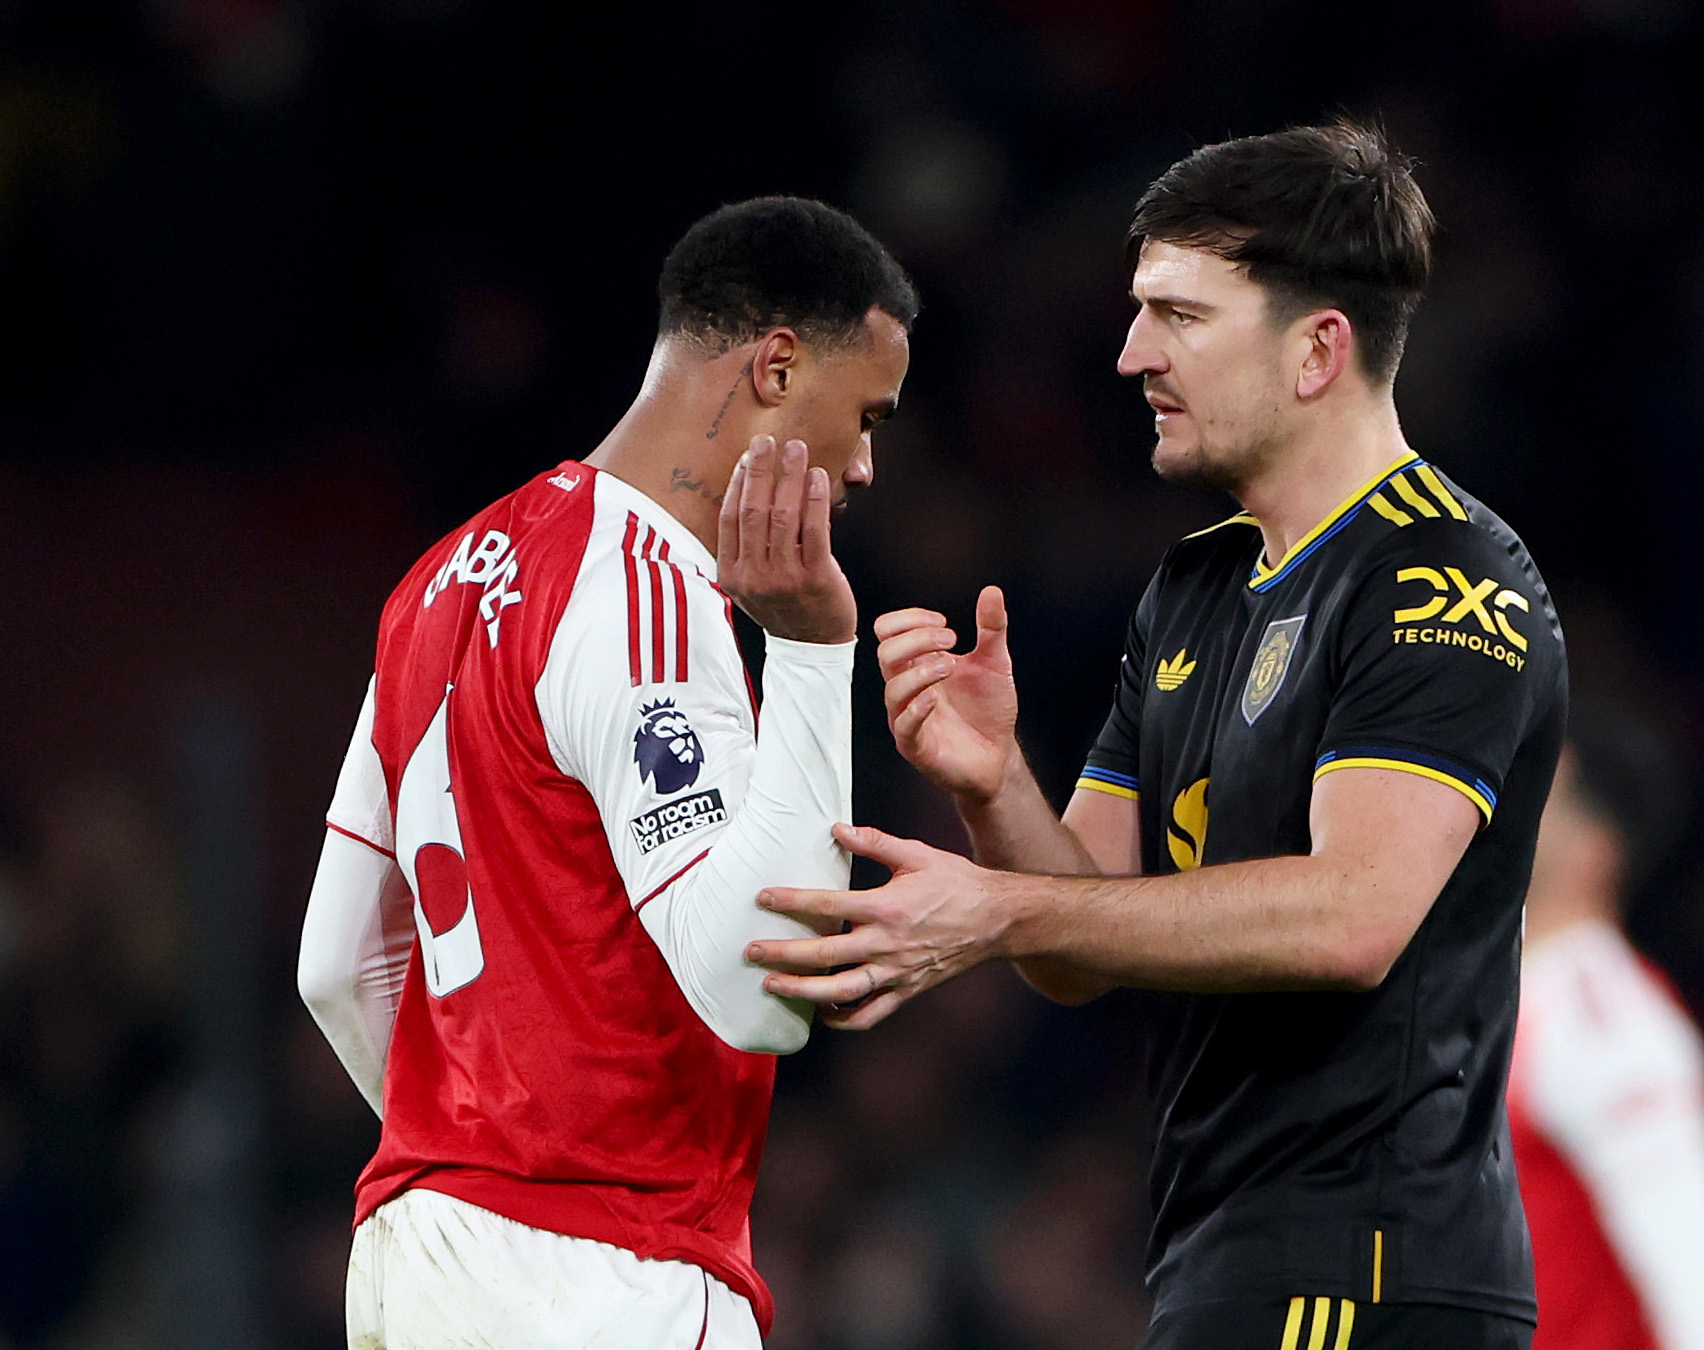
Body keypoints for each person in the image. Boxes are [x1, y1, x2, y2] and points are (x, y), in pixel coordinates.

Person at [749, 120, 1566, 1349]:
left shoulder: (1441, 578)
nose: (1132, 353)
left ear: (1317, 351)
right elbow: (1079, 945)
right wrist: (994, 785)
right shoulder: (1193, 591)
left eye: (1179, 316)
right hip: (1220, 1255)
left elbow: (1354, 918)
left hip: (1373, 1268)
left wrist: (996, 908)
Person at [295, 197, 915, 1349]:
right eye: (867, 414)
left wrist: (475, 1162)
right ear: (777, 367)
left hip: (415, 1259)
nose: (867, 465)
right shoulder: (648, 596)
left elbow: (336, 964)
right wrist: (818, 654)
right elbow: (759, 993)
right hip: (602, 1273)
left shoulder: (439, 581)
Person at [1508, 716, 1704, 1350]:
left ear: (1594, 848)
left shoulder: (1605, 1017)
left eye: (1537, 789)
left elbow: (1702, 1272)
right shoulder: (1497, 998)